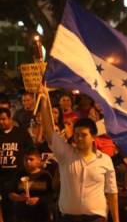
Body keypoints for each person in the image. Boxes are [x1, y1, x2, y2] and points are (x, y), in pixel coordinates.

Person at [39, 86, 119, 222]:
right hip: (68, 218)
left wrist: (116, 220)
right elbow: (49, 131)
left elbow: (111, 192)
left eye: (83, 135)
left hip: (96, 219)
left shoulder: (105, 160)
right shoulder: (65, 154)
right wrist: (44, 101)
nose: (79, 138)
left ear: (93, 136)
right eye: (76, 134)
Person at [0, 107, 34, 222]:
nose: (1, 122)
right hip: (1, 178)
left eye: (3, 119)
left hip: (16, 176)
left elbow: (31, 150)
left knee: (17, 210)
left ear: (10, 119)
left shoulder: (21, 133)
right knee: (5, 210)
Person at [8, 148, 53, 222]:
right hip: (22, 216)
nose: (28, 162)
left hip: (41, 216)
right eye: (25, 159)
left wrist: (39, 199)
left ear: (38, 160)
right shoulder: (18, 174)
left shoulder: (46, 175)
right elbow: (10, 194)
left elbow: (52, 195)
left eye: (31, 159)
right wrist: (19, 197)